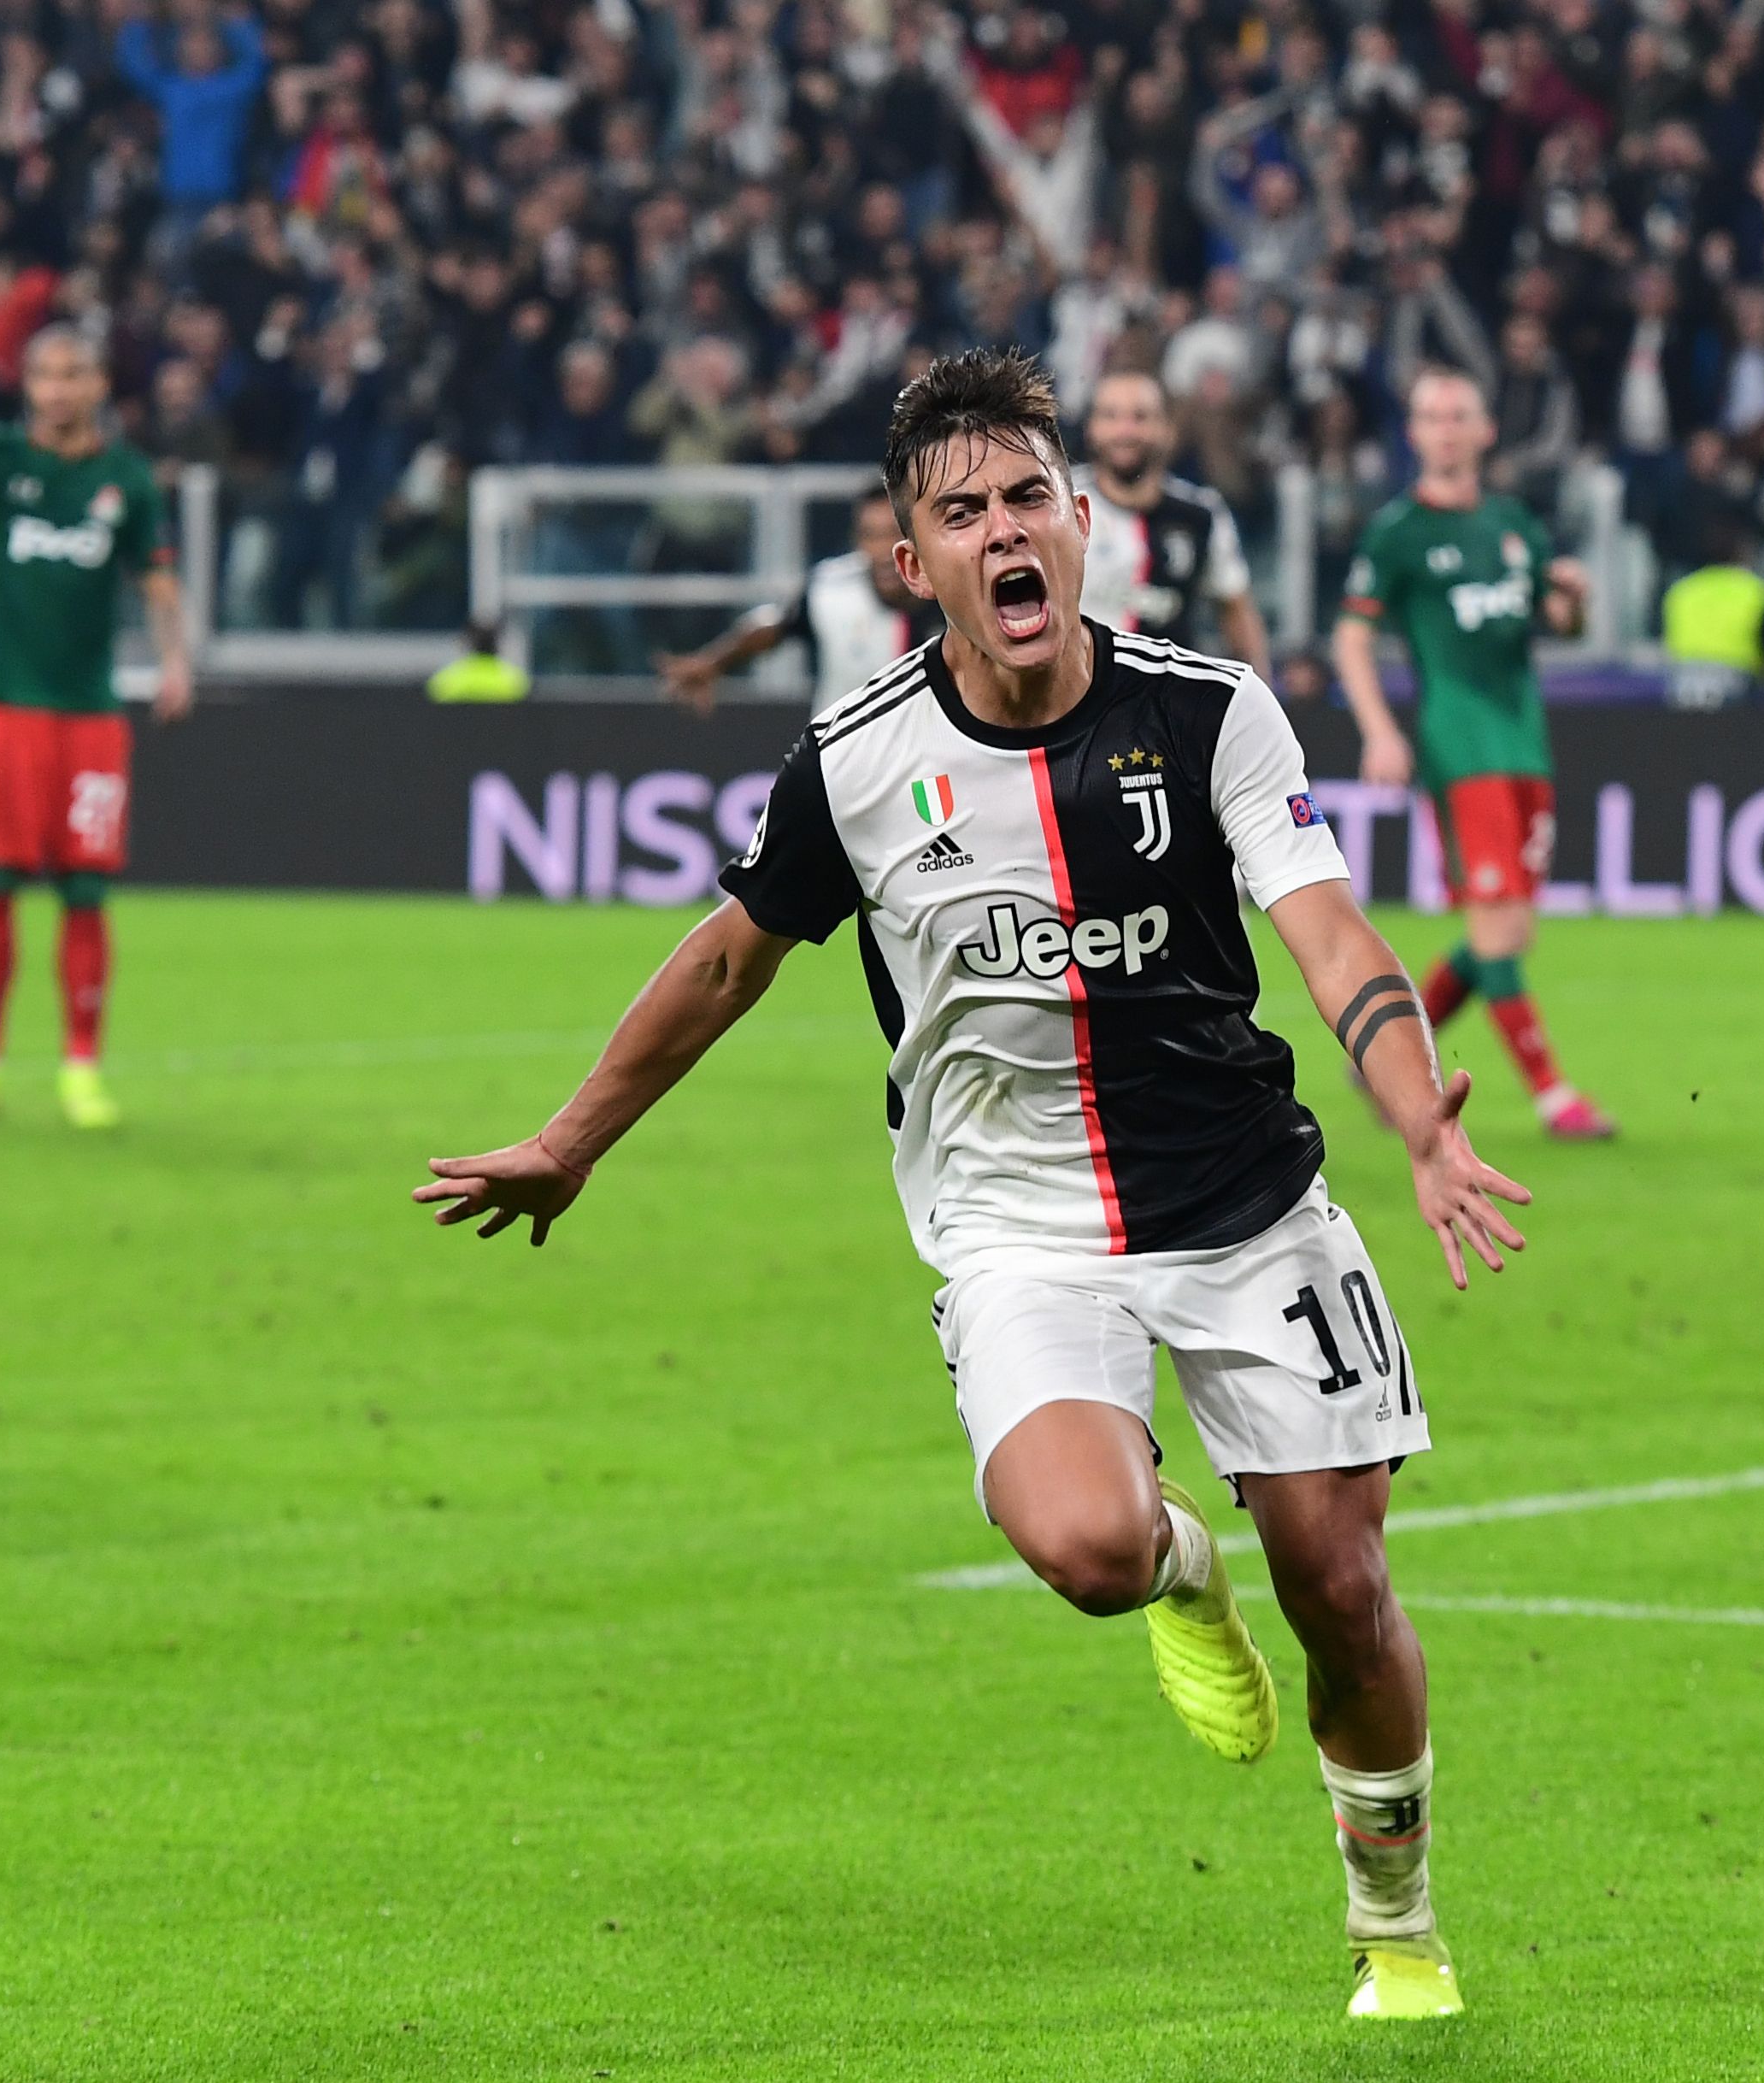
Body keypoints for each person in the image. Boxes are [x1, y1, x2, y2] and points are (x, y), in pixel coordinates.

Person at [416, 350, 1534, 2022]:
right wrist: (570, 1141)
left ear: (1080, 525)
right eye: (964, 512)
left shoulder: (1210, 710)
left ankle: (1399, 1925)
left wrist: (1421, 1121)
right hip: (1020, 1231)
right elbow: (727, 965)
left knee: (1351, 1591)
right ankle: (1176, 1561)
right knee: (1084, 1544)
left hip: (1248, 1210)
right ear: (911, 563)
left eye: (1029, 500)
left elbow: (1331, 934)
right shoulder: (857, 763)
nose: (1006, 533)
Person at [0, 327, 192, 1132]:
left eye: (72, 374)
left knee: (85, 892)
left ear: (98, 386)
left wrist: (176, 660)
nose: (55, 389)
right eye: (43, 375)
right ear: (28, 386)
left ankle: (81, 1068)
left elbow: (156, 577)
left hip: (89, 717)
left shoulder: (127, 480)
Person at [1333, 367, 1616, 1142]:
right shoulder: (1400, 533)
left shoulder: (1513, 524)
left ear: (1486, 430)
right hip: (1461, 748)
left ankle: (1376, 1060)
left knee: (1509, 932)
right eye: (1431, 416)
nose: (1447, 428)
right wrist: (1381, 730)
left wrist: (1574, 598)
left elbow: (1553, 625)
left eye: (1460, 414)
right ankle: (1555, 1098)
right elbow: (1352, 634)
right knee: (1497, 931)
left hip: (1525, 741)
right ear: (1415, 433)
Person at [656, 489, 944, 714]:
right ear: (856, 540)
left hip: (926, 768)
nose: (883, 551)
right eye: (871, 536)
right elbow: (776, 626)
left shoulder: (950, 591)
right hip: (843, 766)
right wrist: (713, 662)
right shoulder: (831, 589)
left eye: (894, 534)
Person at [1075, 368, 1269, 674]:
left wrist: (1259, 693)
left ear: (1166, 428)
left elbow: (1236, 610)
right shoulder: (1058, 503)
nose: (1125, 431)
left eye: (1140, 417)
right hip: (1075, 703)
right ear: (1091, 428)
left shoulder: (1201, 514)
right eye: (1111, 416)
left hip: (1167, 708)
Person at [1660, 523, 1764, 709]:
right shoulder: (1754, 591)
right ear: (1741, 553)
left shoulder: (1681, 591)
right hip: (1737, 688)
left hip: (1683, 687)